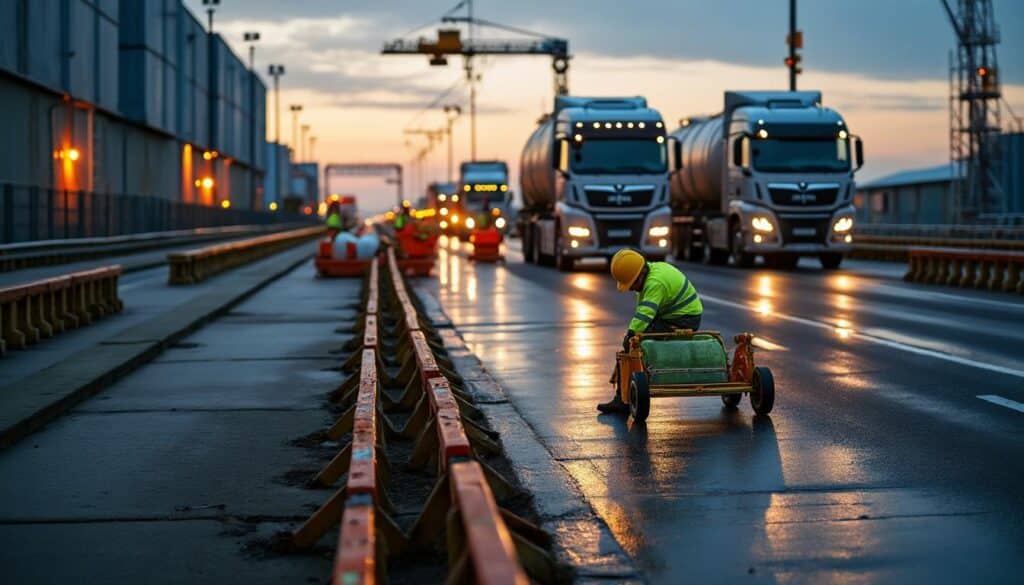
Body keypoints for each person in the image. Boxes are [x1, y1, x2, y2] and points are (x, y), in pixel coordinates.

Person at [598, 248, 704, 414]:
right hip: (674, 315)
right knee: (633, 342)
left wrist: (631, 335)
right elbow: (644, 313)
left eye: (632, 284)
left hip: (682, 320)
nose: (631, 289)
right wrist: (635, 332)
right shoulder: (651, 273)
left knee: (633, 345)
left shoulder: (655, 283)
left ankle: (623, 400)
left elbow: (645, 314)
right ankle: (623, 395)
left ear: (640, 274)